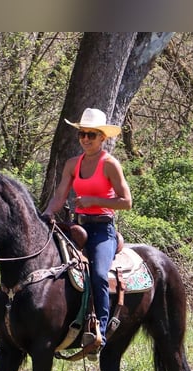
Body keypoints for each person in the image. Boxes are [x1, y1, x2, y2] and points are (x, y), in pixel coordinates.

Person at [42, 108, 132, 352]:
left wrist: (95, 201)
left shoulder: (110, 164)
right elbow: (60, 195)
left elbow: (127, 202)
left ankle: (100, 331)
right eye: (82, 134)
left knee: (99, 275)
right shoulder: (73, 164)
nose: (85, 139)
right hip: (77, 228)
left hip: (103, 231)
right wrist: (48, 213)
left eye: (91, 135)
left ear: (102, 138)